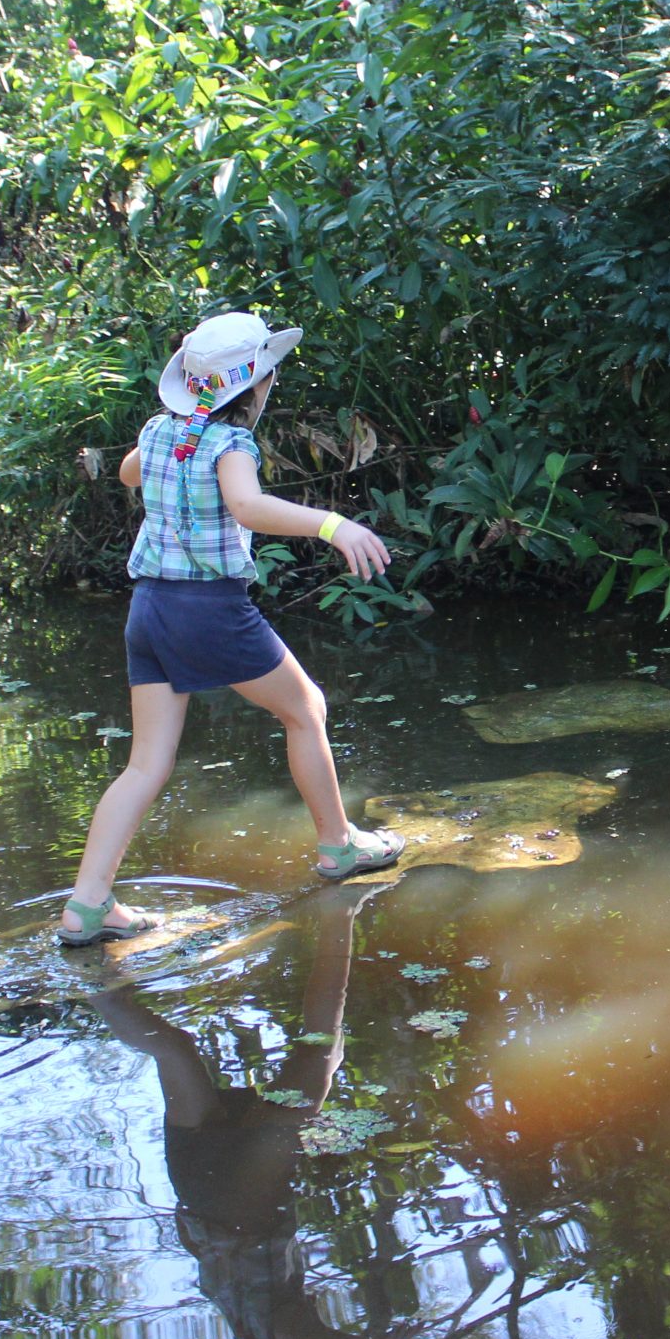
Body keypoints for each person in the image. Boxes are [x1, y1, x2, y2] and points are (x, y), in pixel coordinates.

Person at [60, 310, 406, 948]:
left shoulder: (163, 430)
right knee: (306, 710)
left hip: (149, 610)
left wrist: (171, 449)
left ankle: (88, 906)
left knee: (145, 765)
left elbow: (129, 473)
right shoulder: (232, 444)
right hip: (209, 610)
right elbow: (247, 506)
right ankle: (339, 846)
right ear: (256, 386)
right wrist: (333, 525)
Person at [89, 885, 413, 1339]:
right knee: (174, 1050)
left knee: (322, 1048)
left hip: (248, 1192)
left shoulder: (274, 1337)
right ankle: (95, 982)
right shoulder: (237, 1319)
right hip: (197, 1191)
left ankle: (341, 912)